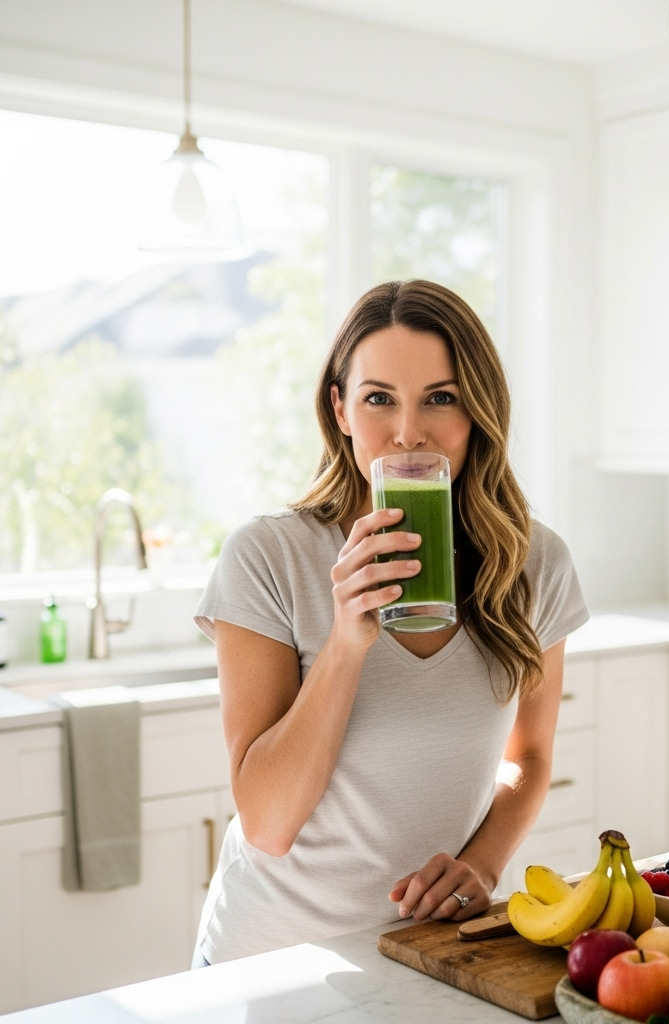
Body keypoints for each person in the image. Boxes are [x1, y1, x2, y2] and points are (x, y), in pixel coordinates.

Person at [192, 279, 588, 964]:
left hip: (428, 959)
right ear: (340, 409)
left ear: (477, 413)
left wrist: (485, 866)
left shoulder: (535, 563)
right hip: (270, 965)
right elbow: (268, 823)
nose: (409, 431)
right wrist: (347, 642)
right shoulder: (268, 556)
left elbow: (528, 758)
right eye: (379, 398)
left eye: (441, 397)